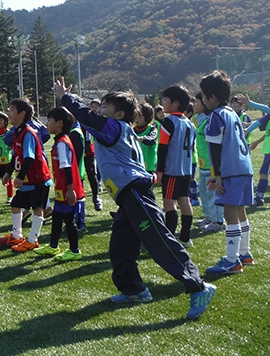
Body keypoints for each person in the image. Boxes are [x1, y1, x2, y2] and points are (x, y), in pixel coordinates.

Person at [53, 77, 216, 320]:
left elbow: (88, 118)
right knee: (120, 248)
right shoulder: (121, 129)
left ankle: (199, 286)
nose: (100, 110)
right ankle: (135, 290)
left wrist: (66, 98)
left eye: (105, 107)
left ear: (118, 114)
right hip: (128, 197)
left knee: (158, 241)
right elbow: (91, 121)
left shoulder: (114, 128)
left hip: (135, 193)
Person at [200, 72, 255, 274]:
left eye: (204, 97)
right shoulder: (232, 113)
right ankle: (245, 253)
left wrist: (217, 176)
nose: (204, 101)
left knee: (229, 212)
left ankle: (232, 261)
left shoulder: (216, 116)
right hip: (244, 167)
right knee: (240, 210)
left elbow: (215, 149)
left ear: (212, 97)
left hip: (229, 170)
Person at [0, 98, 52, 253]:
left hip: (38, 179)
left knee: (37, 208)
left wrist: (19, 176)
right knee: (15, 204)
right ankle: (16, 235)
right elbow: (16, 156)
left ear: (22, 114)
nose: (9, 112)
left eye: (12, 110)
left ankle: (33, 240)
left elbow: (29, 158)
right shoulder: (16, 132)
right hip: (28, 180)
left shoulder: (28, 133)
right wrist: (8, 172)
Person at [33, 106, 84, 261]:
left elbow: (66, 166)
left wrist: (70, 189)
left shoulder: (62, 143)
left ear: (60, 123)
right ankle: (53, 247)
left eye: (49, 120)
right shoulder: (59, 141)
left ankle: (74, 251)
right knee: (56, 218)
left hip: (68, 189)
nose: (47, 124)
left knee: (69, 221)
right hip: (62, 189)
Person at [156, 85, 196, 248]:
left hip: (172, 170)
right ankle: (185, 238)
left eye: (165, 100)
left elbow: (163, 148)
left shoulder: (167, 122)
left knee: (168, 203)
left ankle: (169, 240)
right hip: (186, 170)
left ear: (176, 104)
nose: (163, 103)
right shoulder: (189, 124)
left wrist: (160, 171)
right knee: (184, 201)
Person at [193, 92, 225, 232]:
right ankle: (210, 217)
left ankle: (218, 221)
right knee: (205, 194)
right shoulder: (200, 120)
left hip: (210, 165)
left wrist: (215, 169)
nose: (194, 105)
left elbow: (215, 146)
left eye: (196, 102)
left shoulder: (209, 121)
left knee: (213, 194)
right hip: (203, 164)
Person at [237, 93, 270, 206]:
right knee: (263, 173)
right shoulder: (268, 117)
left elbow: (265, 109)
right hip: (268, 151)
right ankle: (259, 197)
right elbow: (259, 122)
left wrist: (250, 103)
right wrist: (248, 130)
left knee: (263, 173)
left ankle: (259, 197)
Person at [134, 102, 158, 177]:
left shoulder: (152, 129)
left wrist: (141, 139)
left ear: (147, 118)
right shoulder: (133, 130)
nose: (136, 119)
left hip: (148, 165)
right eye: (135, 116)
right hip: (136, 164)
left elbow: (151, 140)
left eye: (139, 116)